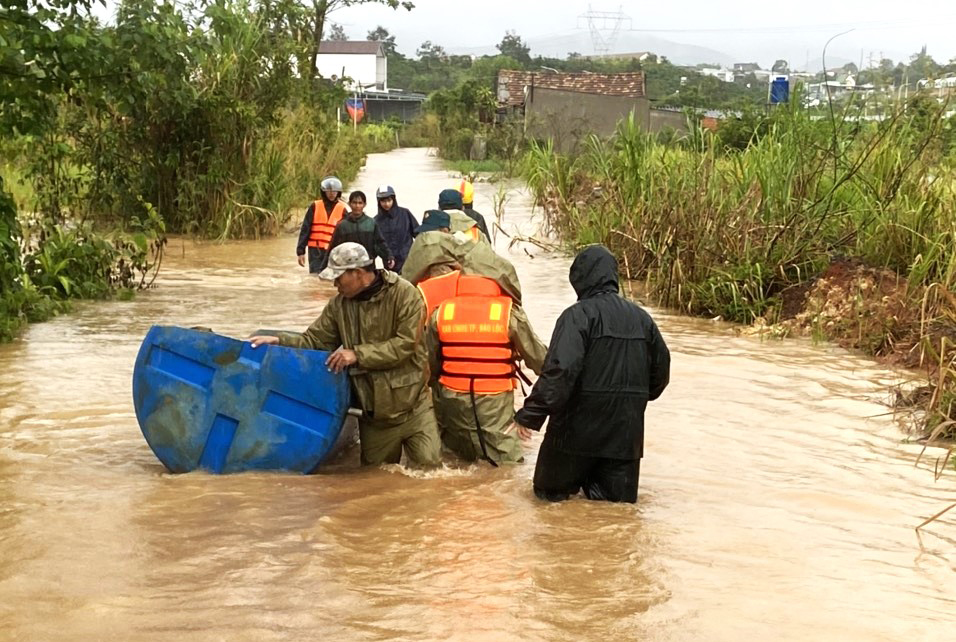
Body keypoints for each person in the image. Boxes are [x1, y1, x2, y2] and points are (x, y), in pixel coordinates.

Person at [249, 243, 441, 467]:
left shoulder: (406, 295)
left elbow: (405, 344)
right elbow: (315, 341)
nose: (335, 284)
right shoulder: (338, 306)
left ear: (358, 273)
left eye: (338, 278)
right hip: (374, 417)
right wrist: (281, 340)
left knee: (432, 473)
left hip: (414, 407)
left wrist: (357, 354)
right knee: (376, 483)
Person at [509, 245, 670, 503]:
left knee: (547, 501)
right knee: (614, 514)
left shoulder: (577, 316)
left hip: (573, 435)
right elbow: (661, 374)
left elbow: (560, 371)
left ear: (580, 279)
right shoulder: (643, 319)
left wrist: (530, 415)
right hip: (625, 439)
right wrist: (631, 399)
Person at [424, 270, 547, 465]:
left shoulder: (442, 312)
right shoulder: (508, 313)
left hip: (451, 401)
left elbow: (429, 365)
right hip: (493, 404)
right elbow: (541, 362)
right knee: (507, 465)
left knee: (455, 461)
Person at [327, 190, 394, 269]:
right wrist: (325, 266)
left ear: (364, 205)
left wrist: (389, 257)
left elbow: (380, 243)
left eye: (360, 203)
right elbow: (333, 247)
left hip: (368, 266)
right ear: (349, 204)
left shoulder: (371, 223)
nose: (357, 206)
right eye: (354, 203)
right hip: (348, 266)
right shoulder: (342, 225)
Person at [296, 176, 346, 273]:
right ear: (324, 192)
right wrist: (300, 251)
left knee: (331, 277)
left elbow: (347, 232)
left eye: (334, 191)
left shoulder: (343, 209)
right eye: (329, 191)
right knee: (315, 276)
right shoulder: (315, 206)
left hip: (334, 250)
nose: (331, 194)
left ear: (338, 193)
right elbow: (305, 229)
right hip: (315, 250)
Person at [374, 185, 419, 273]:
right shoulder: (376, 221)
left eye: (389, 200)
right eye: (383, 201)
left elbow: (417, 233)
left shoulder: (405, 214)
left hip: (407, 259)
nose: (386, 204)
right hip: (389, 263)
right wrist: (387, 256)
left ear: (394, 200)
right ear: (379, 202)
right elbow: (377, 244)